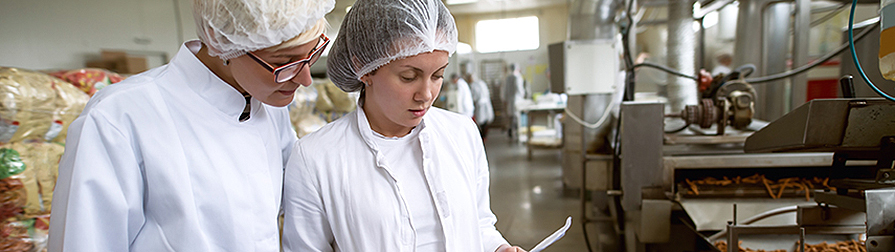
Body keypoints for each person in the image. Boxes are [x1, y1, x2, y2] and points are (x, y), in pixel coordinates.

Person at [48, 0, 334, 251]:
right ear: (225, 44)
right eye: (285, 61)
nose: (305, 78)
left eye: (313, 53)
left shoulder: (268, 106)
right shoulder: (121, 116)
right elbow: (86, 240)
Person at [281, 0, 526, 251]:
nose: (427, 94)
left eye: (438, 75)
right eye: (408, 77)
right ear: (363, 68)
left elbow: (480, 223)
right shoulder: (316, 157)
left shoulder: (461, 133)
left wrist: (499, 247)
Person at [466, 72, 494, 140]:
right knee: (485, 119)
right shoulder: (481, 82)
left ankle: (483, 135)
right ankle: (484, 134)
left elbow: (474, 96)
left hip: (480, 104)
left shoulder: (473, 85)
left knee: (481, 120)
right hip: (486, 103)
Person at [503, 63, 525, 139]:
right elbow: (520, 89)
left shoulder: (508, 78)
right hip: (517, 99)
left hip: (510, 99)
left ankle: (511, 130)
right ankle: (518, 131)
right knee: (517, 116)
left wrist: (505, 99)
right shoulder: (518, 77)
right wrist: (522, 97)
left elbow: (505, 90)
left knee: (511, 116)